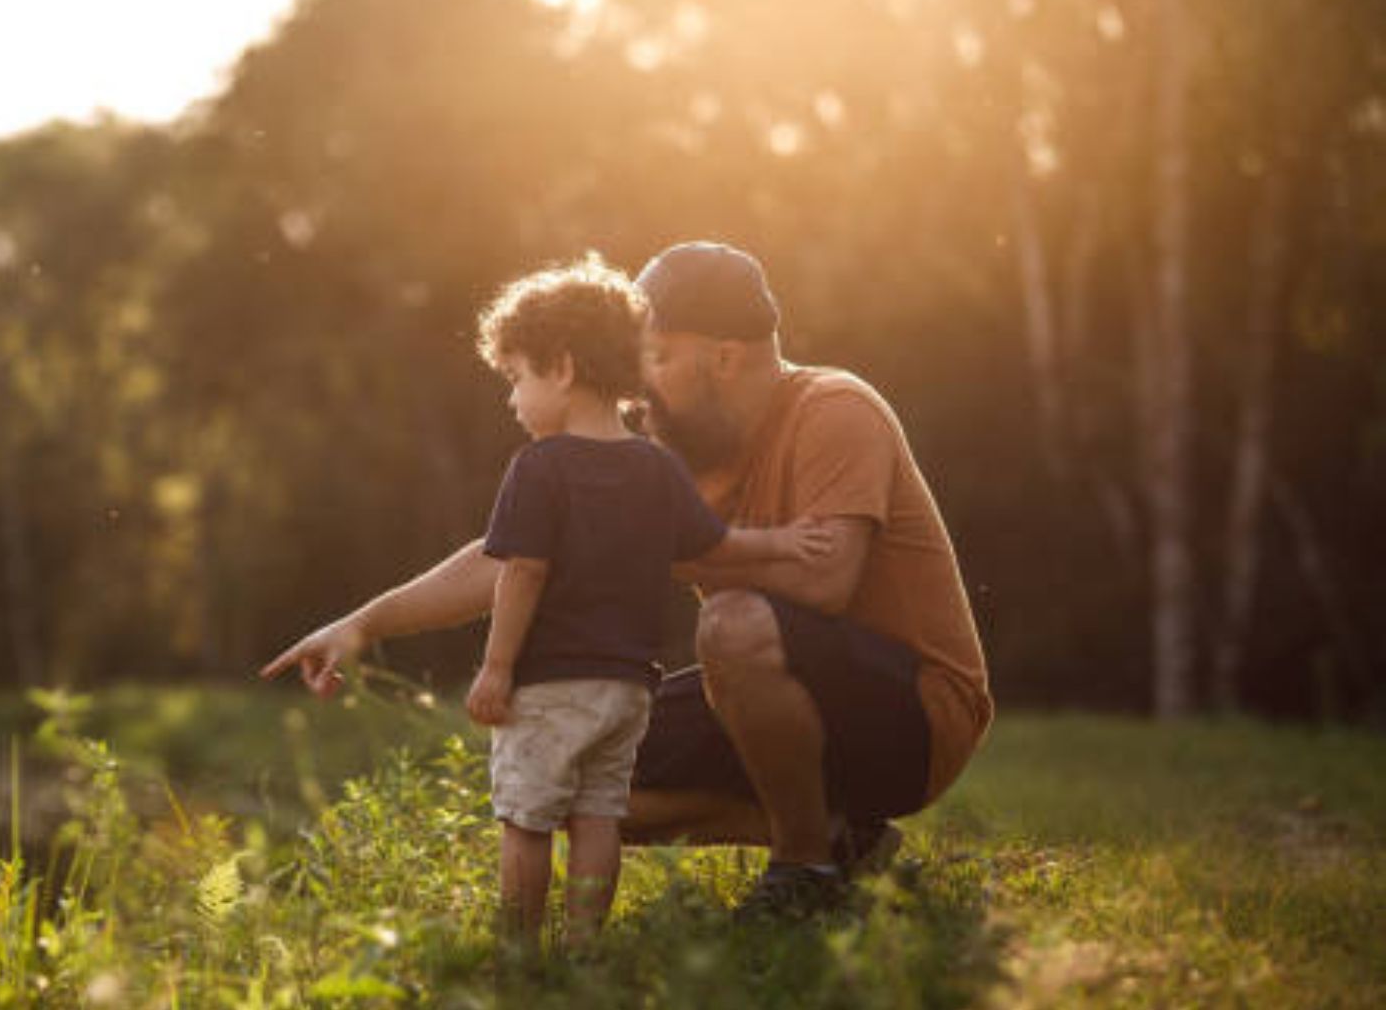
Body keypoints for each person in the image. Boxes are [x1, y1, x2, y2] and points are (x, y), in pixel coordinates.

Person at [262, 242, 991, 919]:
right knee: (578, 764)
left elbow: (829, 582)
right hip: (772, 700)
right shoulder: (676, 455)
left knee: (730, 623)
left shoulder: (834, 409)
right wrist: (363, 623)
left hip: (915, 718)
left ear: (725, 358)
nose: (636, 389)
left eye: (657, 359)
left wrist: (640, 549)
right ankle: (841, 841)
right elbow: (515, 554)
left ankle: (804, 874)